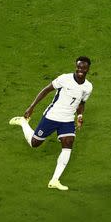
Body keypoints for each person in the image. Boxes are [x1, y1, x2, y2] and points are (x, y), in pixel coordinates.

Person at [8, 56, 94, 191]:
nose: (80, 70)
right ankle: (23, 122)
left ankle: (54, 180)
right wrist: (32, 106)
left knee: (68, 144)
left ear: (88, 69)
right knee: (34, 143)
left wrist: (80, 115)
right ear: (75, 67)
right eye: (78, 67)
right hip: (52, 116)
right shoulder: (64, 79)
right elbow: (46, 90)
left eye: (83, 68)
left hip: (67, 120)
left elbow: (81, 103)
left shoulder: (88, 87)